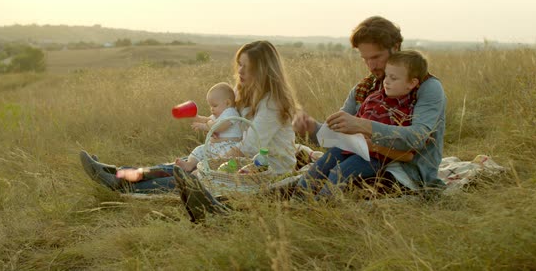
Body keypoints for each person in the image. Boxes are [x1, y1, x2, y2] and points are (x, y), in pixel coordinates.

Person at [80, 40, 299, 203]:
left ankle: (121, 185)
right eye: (239, 64)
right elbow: (226, 119)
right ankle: (116, 173)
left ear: (261, 69)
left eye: (246, 66)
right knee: (183, 163)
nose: (239, 70)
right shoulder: (244, 91)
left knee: (194, 173)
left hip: (267, 168)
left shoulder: (272, 104)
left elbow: (250, 147)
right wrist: (211, 137)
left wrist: (212, 161)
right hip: (239, 158)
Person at [294, 16, 447, 195]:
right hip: (359, 160)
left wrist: (362, 125)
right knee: (312, 178)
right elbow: (340, 138)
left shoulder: (427, 86)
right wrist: (312, 129)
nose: (371, 66)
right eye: (365, 59)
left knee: (339, 182)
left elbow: (417, 138)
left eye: (376, 57)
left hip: (406, 174)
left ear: (395, 47)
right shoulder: (365, 87)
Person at [174, 82, 242, 172]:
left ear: (228, 103)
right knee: (200, 150)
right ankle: (189, 164)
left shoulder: (230, 112)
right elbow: (207, 120)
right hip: (215, 146)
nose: (212, 108)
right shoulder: (218, 114)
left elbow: (220, 127)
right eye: (210, 106)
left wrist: (203, 127)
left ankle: (210, 170)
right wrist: (197, 118)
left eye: (214, 105)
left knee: (222, 160)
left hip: (228, 146)